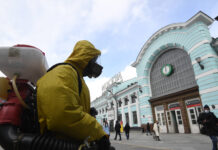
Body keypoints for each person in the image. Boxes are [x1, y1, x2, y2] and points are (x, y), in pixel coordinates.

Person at [37, 40, 111, 150]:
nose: (96, 64)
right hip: (57, 143)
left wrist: (86, 112)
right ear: (85, 57)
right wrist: (99, 134)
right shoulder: (64, 72)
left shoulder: (75, 76)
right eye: (94, 60)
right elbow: (62, 115)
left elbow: (68, 106)